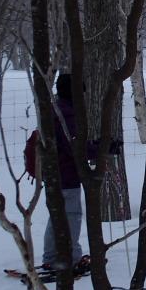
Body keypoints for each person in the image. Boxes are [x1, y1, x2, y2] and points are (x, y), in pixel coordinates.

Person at [42, 73, 91, 274]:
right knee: (71, 216)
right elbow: (75, 147)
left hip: (54, 173)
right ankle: (70, 259)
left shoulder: (55, 110)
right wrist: (101, 148)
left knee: (57, 215)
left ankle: (52, 256)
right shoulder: (67, 115)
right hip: (66, 174)